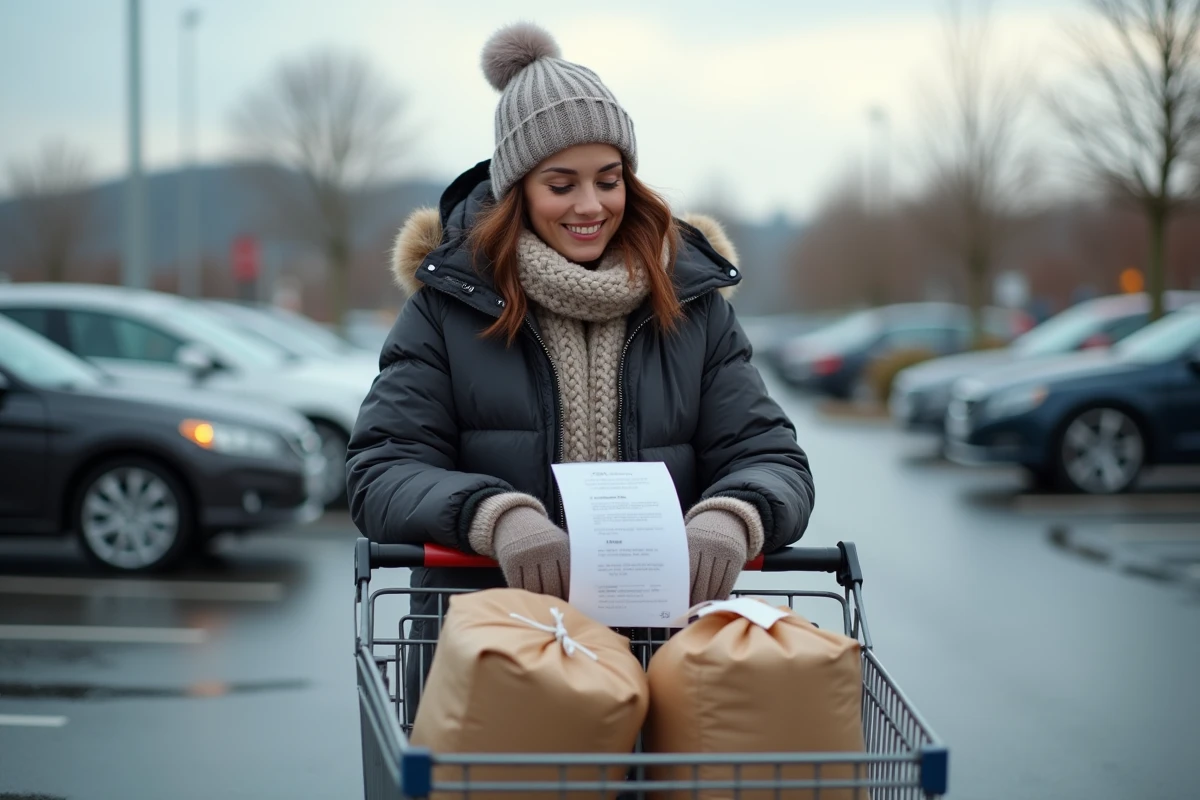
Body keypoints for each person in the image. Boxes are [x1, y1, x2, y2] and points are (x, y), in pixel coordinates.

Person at [346, 22, 814, 722]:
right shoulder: (447, 310)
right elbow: (380, 468)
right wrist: (493, 517)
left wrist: (733, 515)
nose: (591, 206)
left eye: (609, 179)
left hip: (671, 670)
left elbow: (772, 457)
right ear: (517, 189)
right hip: (498, 669)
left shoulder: (694, 306)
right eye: (561, 184)